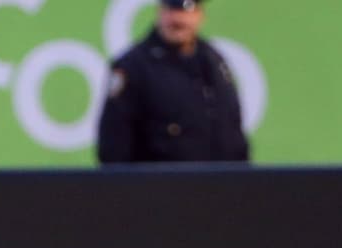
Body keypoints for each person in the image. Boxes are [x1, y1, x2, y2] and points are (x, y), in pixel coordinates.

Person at [96, 0, 249, 164]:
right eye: (171, 10)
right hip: (158, 184)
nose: (178, 20)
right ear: (159, 12)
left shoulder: (214, 61)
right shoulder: (133, 66)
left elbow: (231, 127)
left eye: (186, 12)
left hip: (215, 184)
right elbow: (114, 141)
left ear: (200, 16)